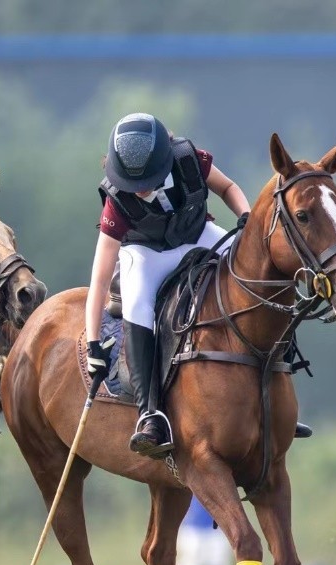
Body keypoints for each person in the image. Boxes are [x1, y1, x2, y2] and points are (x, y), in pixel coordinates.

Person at [82, 113, 249, 458]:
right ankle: (149, 414)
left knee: (253, 268)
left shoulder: (189, 160)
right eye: (133, 182)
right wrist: (94, 345)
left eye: (148, 179)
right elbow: (99, 279)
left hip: (199, 234)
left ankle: (280, 365)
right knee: (139, 305)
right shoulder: (117, 201)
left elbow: (228, 188)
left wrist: (244, 217)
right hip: (146, 252)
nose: (140, 188)